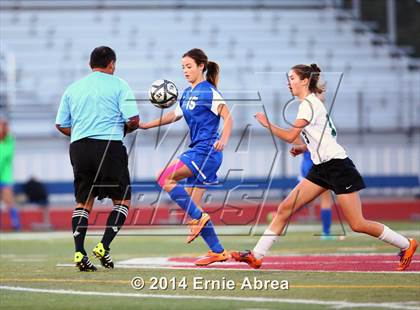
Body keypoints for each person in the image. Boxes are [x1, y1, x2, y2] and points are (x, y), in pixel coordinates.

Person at [231, 63, 417, 271]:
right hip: (321, 169)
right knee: (285, 208)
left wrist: (268, 124)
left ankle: (406, 244)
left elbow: (290, 136)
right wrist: (304, 148)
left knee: (357, 224)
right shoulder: (312, 103)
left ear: (304, 81)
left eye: (292, 78)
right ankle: (257, 256)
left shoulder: (308, 104)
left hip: (338, 167)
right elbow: (327, 135)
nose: (288, 82)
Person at [139, 48, 233, 266]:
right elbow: (173, 116)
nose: (185, 70)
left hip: (206, 151)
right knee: (193, 215)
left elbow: (228, 118)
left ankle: (201, 221)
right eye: (183, 67)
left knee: (163, 177)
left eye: (189, 66)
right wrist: (146, 125)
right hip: (199, 151)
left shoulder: (209, 92)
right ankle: (218, 251)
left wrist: (224, 140)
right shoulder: (188, 92)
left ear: (201, 66)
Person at [55, 46, 139, 271]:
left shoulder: (73, 88)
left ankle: (79, 252)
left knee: (83, 202)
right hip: (109, 146)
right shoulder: (119, 84)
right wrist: (122, 130)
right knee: (122, 200)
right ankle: (103, 246)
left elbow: (60, 124)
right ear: (112, 63)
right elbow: (134, 120)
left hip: (79, 147)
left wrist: (83, 134)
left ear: (90, 65)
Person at [300, 150, 334, 239]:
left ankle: (278, 219)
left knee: (303, 199)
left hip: (307, 164)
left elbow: (297, 144)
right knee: (325, 198)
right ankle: (326, 233)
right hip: (321, 163)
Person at [0, 119, 21, 231]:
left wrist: (5, 128)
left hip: (5, 177)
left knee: (9, 202)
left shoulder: (8, 141)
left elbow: (5, 158)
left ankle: (16, 225)